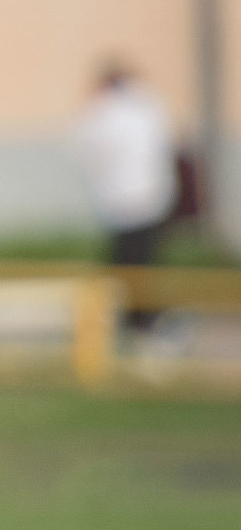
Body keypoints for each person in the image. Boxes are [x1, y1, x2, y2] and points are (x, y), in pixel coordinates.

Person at [70, 58, 180, 334]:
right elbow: (167, 144)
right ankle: (137, 317)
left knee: (127, 263)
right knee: (142, 262)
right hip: (151, 198)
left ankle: (131, 318)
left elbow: (84, 148)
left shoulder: (104, 112)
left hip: (121, 201)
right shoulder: (148, 107)